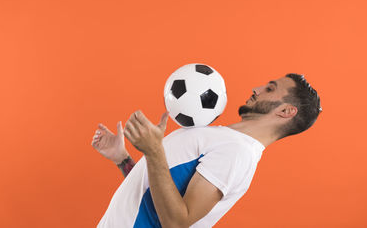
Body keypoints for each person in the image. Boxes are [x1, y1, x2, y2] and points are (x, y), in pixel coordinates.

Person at [91, 73, 322, 228]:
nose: (257, 88)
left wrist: (153, 151)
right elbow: (153, 193)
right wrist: (122, 159)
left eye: (270, 89)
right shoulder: (226, 140)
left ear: (286, 111)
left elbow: (178, 222)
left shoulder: (237, 152)